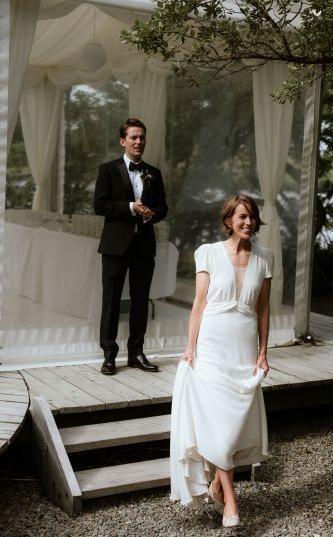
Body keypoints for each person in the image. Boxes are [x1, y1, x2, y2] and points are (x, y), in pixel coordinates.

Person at [170, 194, 273, 528]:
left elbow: (264, 309)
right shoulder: (209, 252)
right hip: (212, 344)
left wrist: (263, 351)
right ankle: (231, 500)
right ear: (229, 220)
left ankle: (216, 483)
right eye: (241, 217)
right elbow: (199, 303)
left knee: (233, 425)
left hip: (243, 348)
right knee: (217, 423)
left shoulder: (265, 259)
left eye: (251, 217)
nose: (247, 222)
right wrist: (190, 348)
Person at [94, 117, 168, 375]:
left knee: (140, 302)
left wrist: (149, 214)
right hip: (115, 247)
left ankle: (136, 353)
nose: (139, 141)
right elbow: (100, 205)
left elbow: (163, 208)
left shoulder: (154, 173)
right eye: (134, 137)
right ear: (123, 141)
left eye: (142, 137)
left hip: (144, 247)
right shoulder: (108, 169)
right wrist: (129, 207)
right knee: (111, 302)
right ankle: (109, 356)